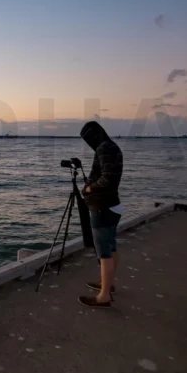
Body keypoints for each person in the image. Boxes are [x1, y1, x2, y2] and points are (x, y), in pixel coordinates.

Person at [78, 121, 123, 307]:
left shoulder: (104, 148)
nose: (88, 143)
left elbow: (107, 178)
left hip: (102, 207)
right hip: (113, 204)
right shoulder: (113, 147)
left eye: (88, 138)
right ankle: (108, 284)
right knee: (111, 248)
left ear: (94, 135)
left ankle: (103, 296)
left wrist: (89, 189)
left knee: (103, 252)